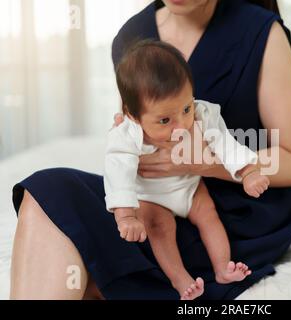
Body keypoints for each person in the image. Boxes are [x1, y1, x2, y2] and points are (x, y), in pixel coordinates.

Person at [10, 0, 291, 300]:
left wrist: (200, 164)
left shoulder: (262, 33)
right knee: (47, 191)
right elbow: (134, 132)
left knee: (83, 262)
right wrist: (127, 201)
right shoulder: (132, 34)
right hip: (153, 204)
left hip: (238, 217)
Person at [107, 39, 269, 299]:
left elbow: (226, 142)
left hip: (190, 185)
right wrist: (125, 215)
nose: (182, 125)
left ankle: (222, 268)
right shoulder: (127, 134)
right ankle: (180, 280)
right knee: (159, 228)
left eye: (186, 108)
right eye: (164, 120)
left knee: (209, 214)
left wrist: (248, 171)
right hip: (151, 196)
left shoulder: (202, 115)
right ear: (133, 115)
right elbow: (118, 171)